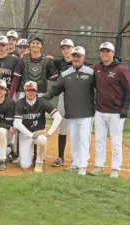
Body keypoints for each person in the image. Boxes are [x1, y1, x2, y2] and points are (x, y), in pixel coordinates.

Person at [43, 46, 95, 176]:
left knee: (84, 139)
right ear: (71, 57)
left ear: (84, 57)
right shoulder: (65, 74)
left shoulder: (91, 72)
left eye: (79, 56)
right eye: (74, 56)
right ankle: (75, 163)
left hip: (86, 113)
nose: (76, 58)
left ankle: (83, 165)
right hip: (71, 113)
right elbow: (54, 89)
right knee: (74, 139)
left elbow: (101, 89)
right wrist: (42, 99)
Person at [89, 42, 130, 178]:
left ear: (113, 53)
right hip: (100, 111)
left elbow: (129, 90)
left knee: (116, 141)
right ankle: (99, 166)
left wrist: (125, 108)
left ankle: (115, 168)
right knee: (99, 140)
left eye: (107, 51)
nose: (105, 54)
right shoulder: (96, 67)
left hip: (116, 113)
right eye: (102, 51)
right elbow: (82, 69)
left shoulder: (121, 70)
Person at [14, 81, 62, 172]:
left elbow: (58, 117)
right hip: (26, 134)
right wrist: (31, 135)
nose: (31, 92)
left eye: (33, 90)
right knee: (25, 165)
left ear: (36, 91)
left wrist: (49, 132)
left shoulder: (42, 102)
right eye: (28, 90)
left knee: (42, 139)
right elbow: (17, 123)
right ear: (25, 91)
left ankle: (39, 161)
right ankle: (23, 156)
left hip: (39, 133)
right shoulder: (20, 103)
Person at [51, 38, 74, 167]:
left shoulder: (81, 62)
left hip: (77, 98)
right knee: (62, 127)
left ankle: (78, 158)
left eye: (68, 48)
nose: (66, 50)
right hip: (62, 96)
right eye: (64, 48)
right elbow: (48, 62)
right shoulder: (58, 62)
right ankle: (60, 157)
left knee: (78, 129)